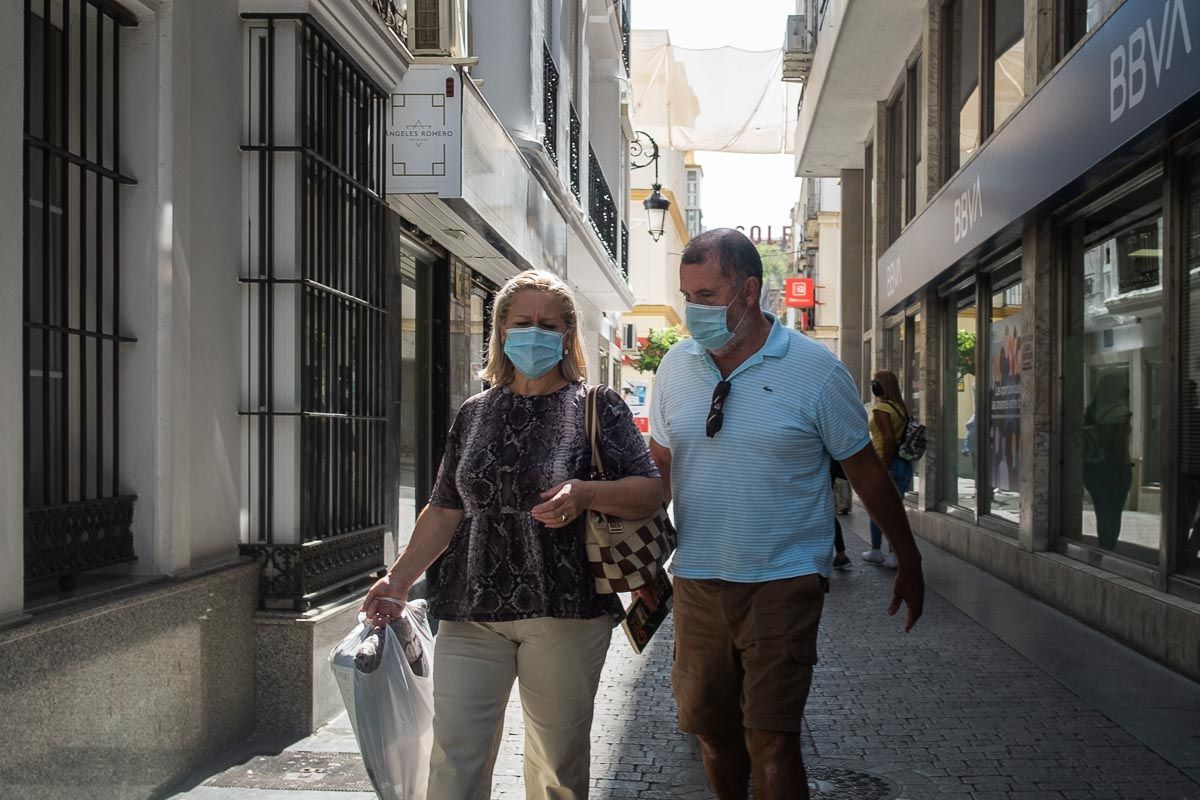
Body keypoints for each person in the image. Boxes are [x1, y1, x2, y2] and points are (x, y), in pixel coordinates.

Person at [361, 270, 663, 800]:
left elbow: (651, 491)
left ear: (568, 335)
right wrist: (398, 580)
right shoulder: (475, 412)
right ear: (501, 330)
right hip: (471, 611)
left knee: (556, 765)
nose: (534, 333)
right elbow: (445, 507)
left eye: (549, 324)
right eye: (522, 322)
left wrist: (585, 494)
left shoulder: (598, 406)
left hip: (564, 611)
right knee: (455, 756)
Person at [648, 229, 925, 800]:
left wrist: (909, 559)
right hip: (697, 579)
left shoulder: (816, 370)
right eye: (687, 296)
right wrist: (640, 559)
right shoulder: (674, 367)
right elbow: (658, 470)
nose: (693, 310)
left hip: (784, 578)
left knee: (771, 739)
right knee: (713, 733)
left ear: (749, 291)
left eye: (707, 295)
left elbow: (867, 472)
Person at [862, 370, 913, 569]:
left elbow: (888, 438)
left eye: (875, 382)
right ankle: (892, 553)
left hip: (886, 462)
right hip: (903, 463)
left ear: (882, 386)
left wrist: (884, 466)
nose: (872, 385)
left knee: (877, 509)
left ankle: (879, 551)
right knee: (895, 511)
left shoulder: (881, 409)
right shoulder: (900, 407)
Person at [1082, 372, 1133, 550]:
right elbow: (1118, 444)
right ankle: (1108, 547)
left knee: (1102, 510)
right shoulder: (1121, 412)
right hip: (1116, 467)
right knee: (1114, 512)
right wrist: (1120, 469)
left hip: (1092, 469)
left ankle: (1105, 546)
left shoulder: (1091, 411)